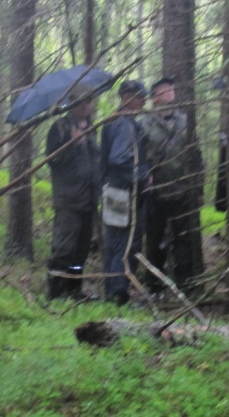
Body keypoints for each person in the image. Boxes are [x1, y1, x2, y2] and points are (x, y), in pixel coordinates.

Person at [140, 78, 201, 296]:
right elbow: (139, 158)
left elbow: (195, 155)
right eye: (164, 90)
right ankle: (154, 285)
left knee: (183, 240)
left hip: (182, 191)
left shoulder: (186, 122)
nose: (170, 93)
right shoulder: (144, 123)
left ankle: (185, 286)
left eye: (172, 88)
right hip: (155, 192)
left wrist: (197, 187)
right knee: (155, 240)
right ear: (155, 97)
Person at [45, 87, 100, 299]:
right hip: (68, 199)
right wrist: (71, 144)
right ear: (71, 102)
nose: (85, 105)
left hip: (89, 198)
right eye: (80, 101)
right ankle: (56, 293)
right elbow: (52, 161)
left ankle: (75, 290)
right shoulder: (59, 127)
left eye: (89, 101)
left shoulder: (93, 127)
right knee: (64, 248)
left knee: (81, 250)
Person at [100, 80, 150, 305]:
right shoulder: (124, 125)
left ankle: (112, 291)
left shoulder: (113, 122)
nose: (144, 101)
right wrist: (142, 176)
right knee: (123, 244)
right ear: (128, 97)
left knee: (113, 243)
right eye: (140, 97)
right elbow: (118, 158)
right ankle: (118, 294)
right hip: (121, 191)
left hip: (112, 189)